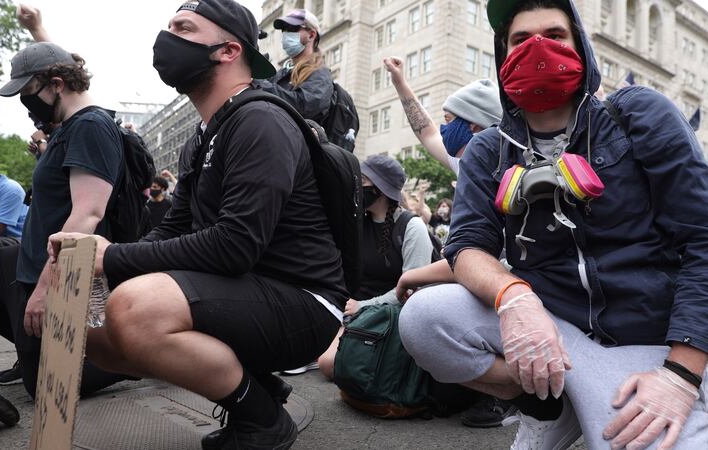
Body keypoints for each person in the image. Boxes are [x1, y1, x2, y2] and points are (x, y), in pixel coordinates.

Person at [398, 1, 708, 449]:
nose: (538, 48)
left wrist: (680, 374)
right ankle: (546, 398)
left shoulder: (640, 115)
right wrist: (514, 299)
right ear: (502, 56)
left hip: (643, 340)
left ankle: (585, 396)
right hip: (544, 326)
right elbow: (465, 245)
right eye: (521, 40)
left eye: (555, 35)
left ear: (581, 47)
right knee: (426, 318)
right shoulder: (487, 150)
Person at [48, 2, 346, 449]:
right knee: (99, 331)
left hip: (304, 302)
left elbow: (234, 246)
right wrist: (100, 258)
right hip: (245, 289)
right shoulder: (204, 136)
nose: (167, 38)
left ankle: (262, 420)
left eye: (183, 29)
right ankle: (258, 384)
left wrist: (114, 256)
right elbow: (173, 229)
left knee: (135, 309)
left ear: (227, 51)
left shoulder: (260, 119)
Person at [0, 40, 128, 398]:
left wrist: (46, 288)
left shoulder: (91, 126)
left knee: (43, 385)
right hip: (25, 259)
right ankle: (31, 342)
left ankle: (131, 361)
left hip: (53, 268)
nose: (25, 102)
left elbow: (87, 214)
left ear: (57, 84)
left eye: (28, 92)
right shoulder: (65, 127)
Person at [317, 155, 433, 379]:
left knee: (329, 363)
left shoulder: (411, 226)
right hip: (350, 311)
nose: (356, 185)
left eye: (361, 179)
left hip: (388, 316)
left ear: (379, 189)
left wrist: (364, 305)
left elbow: (413, 291)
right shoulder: (358, 222)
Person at [385, 57, 502, 176]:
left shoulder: (507, 172)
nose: (444, 129)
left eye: (448, 119)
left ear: (472, 125)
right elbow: (428, 133)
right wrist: (399, 82)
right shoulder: (464, 163)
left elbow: (428, 134)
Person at [259, 9, 333, 125]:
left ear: (311, 35)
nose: (286, 34)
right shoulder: (282, 72)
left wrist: (260, 84)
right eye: (284, 29)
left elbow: (305, 106)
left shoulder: (320, 73)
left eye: (293, 29)